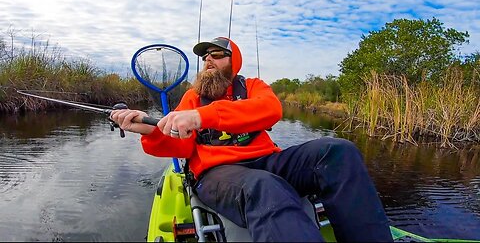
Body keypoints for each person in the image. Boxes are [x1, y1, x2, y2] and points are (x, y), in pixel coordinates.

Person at [110, 37, 393, 242]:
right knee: (263, 187)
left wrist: (202, 117)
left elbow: (271, 110)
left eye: (217, 55)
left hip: (267, 160)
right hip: (215, 174)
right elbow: (181, 145)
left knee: (338, 151)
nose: (208, 60)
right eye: (205, 56)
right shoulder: (192, 97)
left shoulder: (254, 87)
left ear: (234, 63)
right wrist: (150, 130)